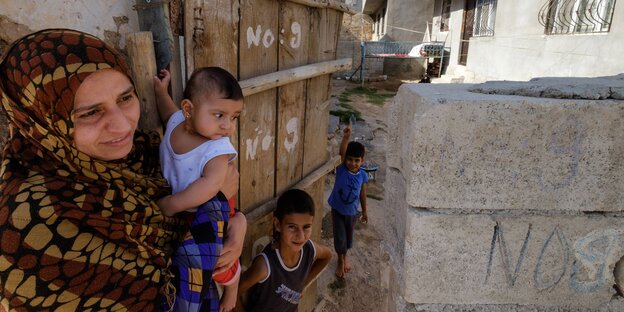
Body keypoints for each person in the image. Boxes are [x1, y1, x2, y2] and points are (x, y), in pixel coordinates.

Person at [0, 29, 242, 311]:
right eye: (90, 113)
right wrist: (216, 206)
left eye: (126, 98)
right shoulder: (30, 225)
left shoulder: (142, 151)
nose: (123, 126)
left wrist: (237, 224)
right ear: (41, 120)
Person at [153, 67, 245, 312]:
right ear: (188, 110)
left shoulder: (217, 148)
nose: (228, 126)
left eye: (234, 117)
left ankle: (233, 285)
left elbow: (211, 185)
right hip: (186, 209)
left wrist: (171, 204)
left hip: (207, 213)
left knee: (219, 262)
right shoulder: (175, 123)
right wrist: (161, 91)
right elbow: (165, 108)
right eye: (219, 115)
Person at [236, 189, 332, 312]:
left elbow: (327, 255)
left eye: (306, 227)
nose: (301, 236)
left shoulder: (309, 249)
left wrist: (304, 284)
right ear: (277, 225)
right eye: (292, 227)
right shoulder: (265, 266)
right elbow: (234, 292)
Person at [327, 124, 369, 278]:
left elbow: (362, 193)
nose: (352, 163)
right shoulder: (342, 169)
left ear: (362, 161)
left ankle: (345, 256)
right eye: (350, 160)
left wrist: (364, 211)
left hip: (352, 213)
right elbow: (342, 152)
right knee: (340, 237)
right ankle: (340, 260)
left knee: (349, 237)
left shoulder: (362, 175)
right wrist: (346, 137)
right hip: (337, 210)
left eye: (357, 160)